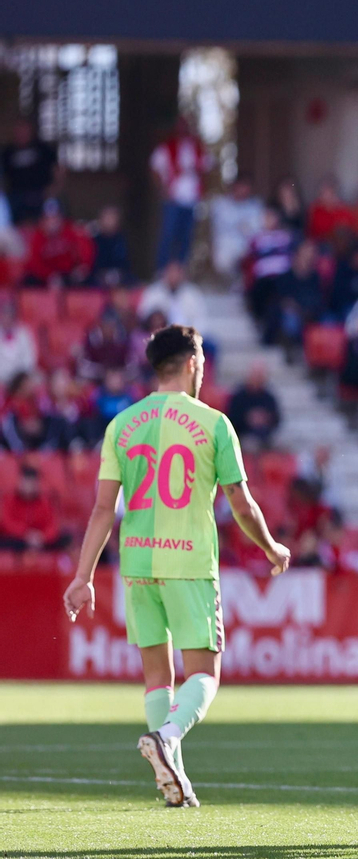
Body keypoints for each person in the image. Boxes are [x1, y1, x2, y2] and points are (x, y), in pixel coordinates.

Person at [62, 324, 291, 808]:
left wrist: (83, 576)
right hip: (188, 561)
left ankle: (175, 783)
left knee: (157, 678)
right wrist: (271, 548)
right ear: (192, 363)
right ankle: (166, 739)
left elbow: (103, 508)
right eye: (202, 361)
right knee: (205, 674)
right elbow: (241, 503)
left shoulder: (121, 424)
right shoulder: (214, 423)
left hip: (137, 562)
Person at [150, 117, 209, 268]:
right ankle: (162, 270)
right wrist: (163, 189)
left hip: (191, 200)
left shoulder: (196, 147)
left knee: (186, 237)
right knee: (168, 235)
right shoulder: (166, 147)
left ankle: (181, 271)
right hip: (173, 199)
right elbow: (154, 168)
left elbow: (208, 166)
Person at [3, 118, 61, 226]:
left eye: (24, 130)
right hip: (15, 196)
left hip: (41, 194)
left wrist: (54, 189)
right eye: (19, 130)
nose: (22, 133)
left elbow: (58, 169)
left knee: (53, 209)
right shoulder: (8, 152)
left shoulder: (43, 149)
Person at [0, 465, 69, 551]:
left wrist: (42, 536)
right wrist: (25, 534)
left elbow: (53, 525)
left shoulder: (45, 502)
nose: (28, 487)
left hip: (40, 540)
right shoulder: (9, 500)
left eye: (31, 483)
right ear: (19, 482)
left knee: (65, 539)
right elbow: (6, 523)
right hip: (17, 540)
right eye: (25, 482)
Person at [25, 199, 92, 286]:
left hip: (69, 274)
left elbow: (86, 251)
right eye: (48, 219)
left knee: (88, 279)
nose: (52, 222)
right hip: (46, 276)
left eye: (55, 217)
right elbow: (34, 263)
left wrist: (83, 267)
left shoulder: (71, 230)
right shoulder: (38, 235)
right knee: (28, 280)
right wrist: (49, 275)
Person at [210, 177, 264, 278]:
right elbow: (220, 229)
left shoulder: (255, 206)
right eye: (241, 187)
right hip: (226, 249)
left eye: (246, 188)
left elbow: (257, 230)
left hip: (247, 249)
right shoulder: (221, 205)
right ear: (235, 187)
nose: (243, 191)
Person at [138, 263, 208, 334]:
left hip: (188, 335)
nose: (174, 276)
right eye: (171, 272)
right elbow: (143, 315)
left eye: (176, 273)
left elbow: (201, 320)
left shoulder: (192, 293)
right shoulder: (153, 291)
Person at [227, 362, 282, 449]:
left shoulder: (269, 397)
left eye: (260, 376)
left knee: (281, 444)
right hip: (245, 434)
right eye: (256, 376)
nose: (257, 379)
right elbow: (232, 419)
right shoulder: (239, 396)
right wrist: (248, 419)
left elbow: (277, 419)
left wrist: (266, 419)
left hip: (266, 435)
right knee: (251, 445)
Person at [307, 177, 357, 243]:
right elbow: (310, 235)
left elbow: (353, 234)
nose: (325, 196)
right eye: (322, 193)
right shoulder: (315, 209)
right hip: (318, 245)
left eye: (329, 192)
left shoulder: (345, 211)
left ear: (335, 193)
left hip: (339, 246)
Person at [90, 205, 131, 285]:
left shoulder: (120, 240)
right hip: (97, 280)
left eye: (112, 218)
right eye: (107, 218)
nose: (109, 221)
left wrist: (117, 274)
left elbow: (124, 265)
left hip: (119, 278)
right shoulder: (94, 241)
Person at [0, 300, 39, 382]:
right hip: (1, 376)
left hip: (20, 377)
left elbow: (30, 358)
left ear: (14, 318)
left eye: (9, 316)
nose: (6, 319)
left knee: (38, 380)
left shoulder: (24, 333)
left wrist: (21, 376)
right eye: (4, 316)